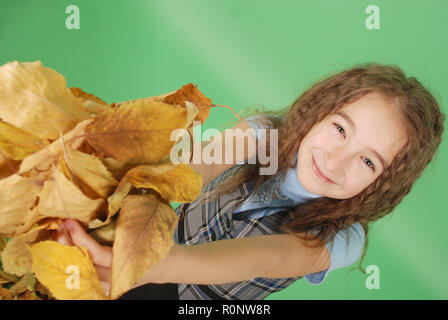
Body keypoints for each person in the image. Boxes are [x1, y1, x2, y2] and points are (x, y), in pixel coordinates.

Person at [53, 62, 445, 300]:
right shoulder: (263, 136)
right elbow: (185, 174)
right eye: (340, 129)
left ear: (384, 184)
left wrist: (155, 266)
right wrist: (105, 204)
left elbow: (266, 256)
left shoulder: (343, 238)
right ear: (320, 110)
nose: (336, 160)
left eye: (367, 161)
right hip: (151, 252)